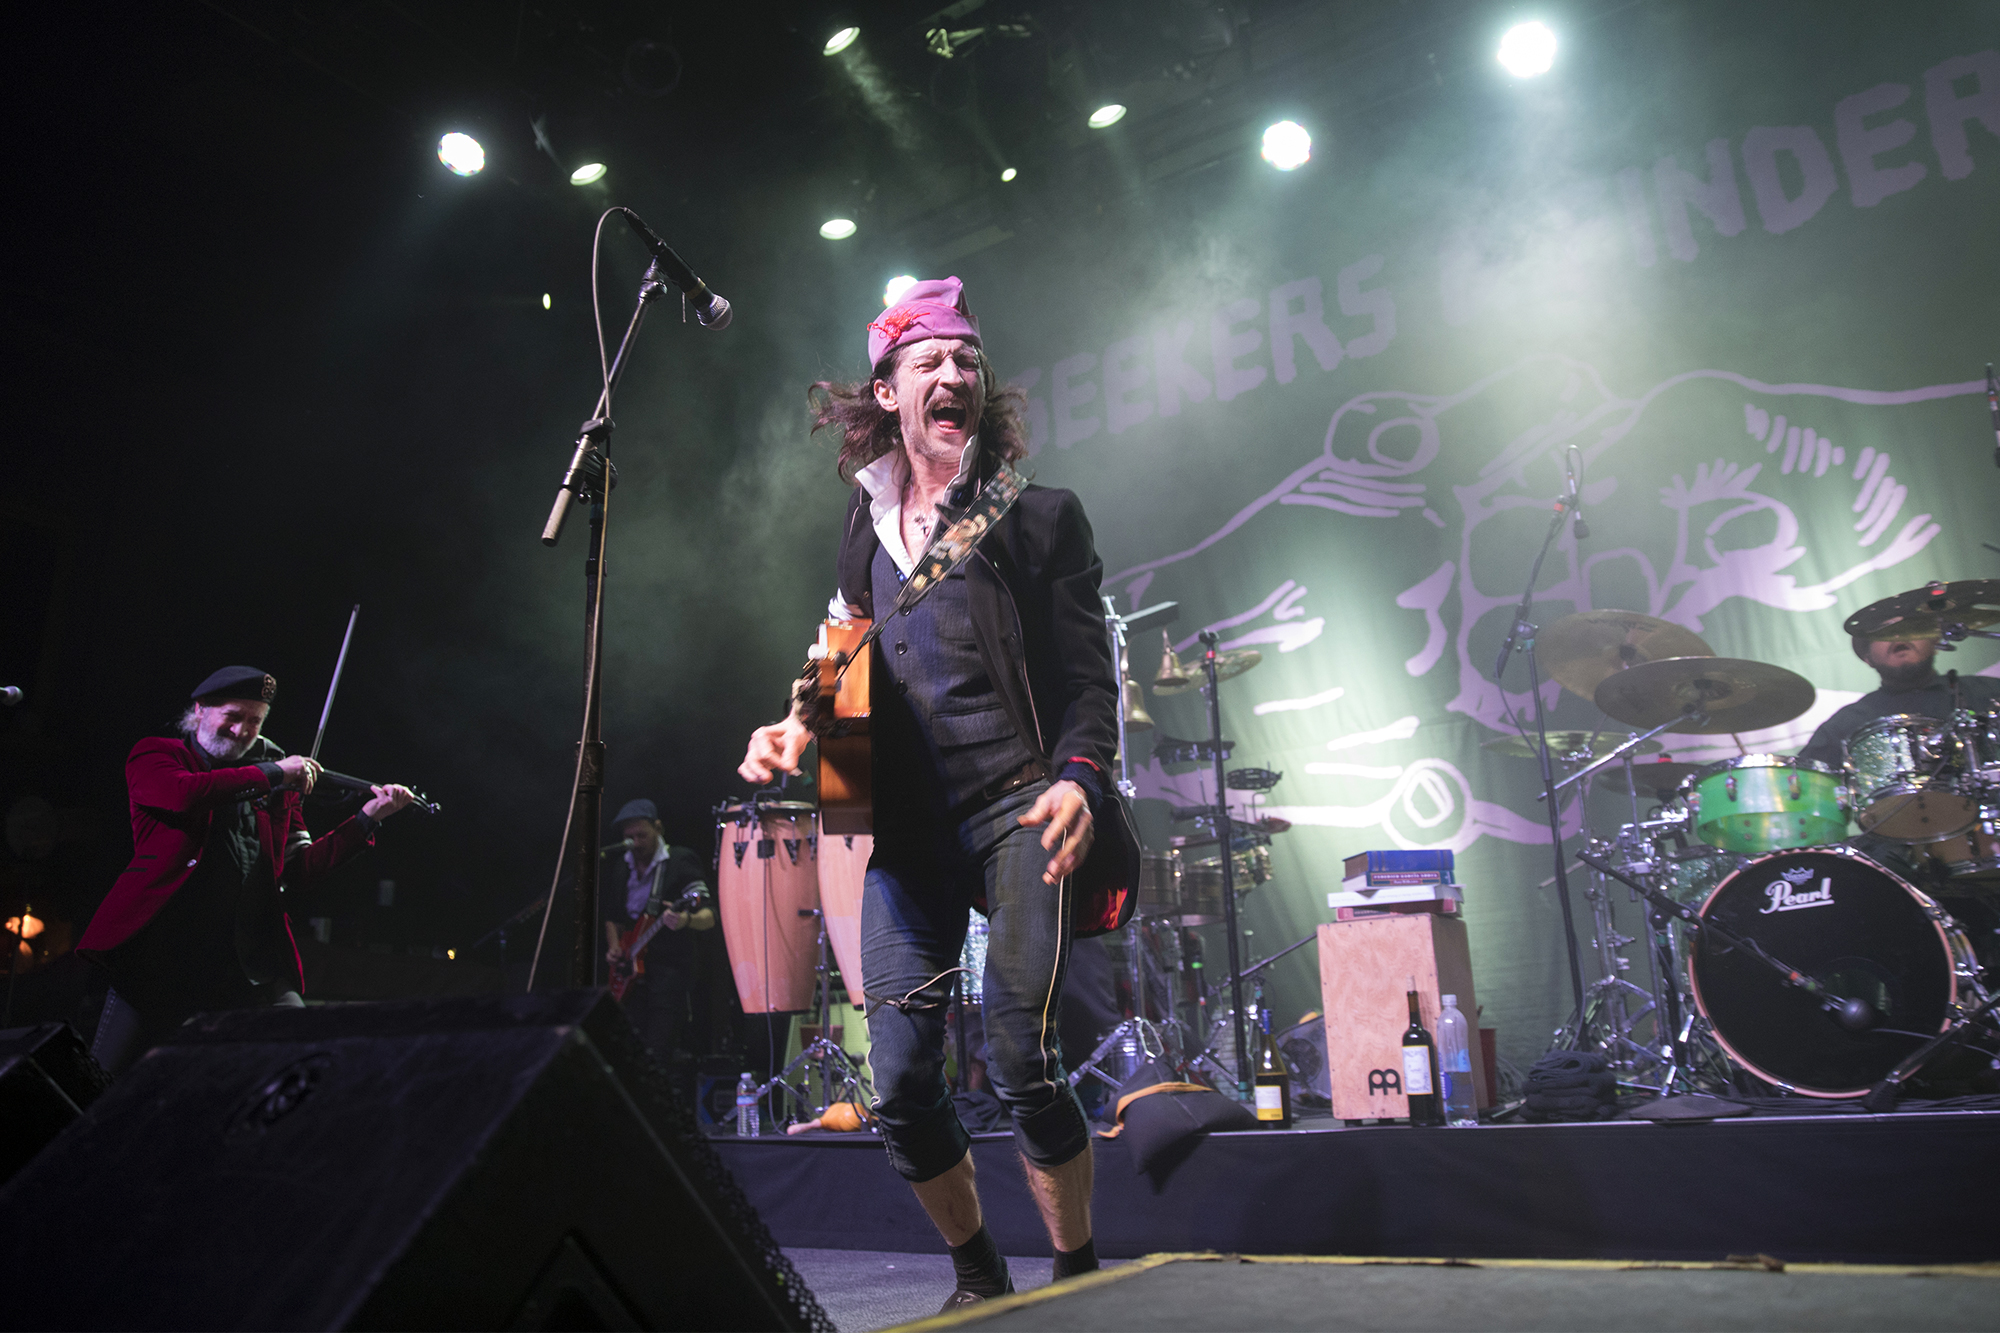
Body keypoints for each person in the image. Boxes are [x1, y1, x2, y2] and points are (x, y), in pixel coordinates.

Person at [739, 277, 1122, 1310]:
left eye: (966, 361)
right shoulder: (863, 526)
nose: (953, 375)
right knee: (902, 1084)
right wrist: (797, 725)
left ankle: (1078, 1278)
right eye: (930, 362)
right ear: (887, 391)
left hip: (1020, 804)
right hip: (909, 831)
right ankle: (979, 1278)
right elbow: (842, 648)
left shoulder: (1038, 517)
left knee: (1019, 1056)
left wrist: (1081, 777)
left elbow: (1089, 682)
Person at [76, 666, 416, 1074]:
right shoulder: (158, 755)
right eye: (233, 716)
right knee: (105, 1080)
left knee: (304, 1057)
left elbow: (299, 870)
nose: (242, 731)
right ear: (200, 710)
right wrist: (273, 773)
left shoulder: (274, 784)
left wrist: (366, 819)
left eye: (255, 721)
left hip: (248, 963)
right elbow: (183, 794)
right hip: (165, 960)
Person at [603, 797, 714, 1060]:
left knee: (658, 1051)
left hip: (668, 973)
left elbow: (709, 916)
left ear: (658, 828)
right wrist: (615, 946)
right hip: (630, 977)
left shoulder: (680, 861)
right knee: (628, 1050)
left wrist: (686, 920)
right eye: (629, 838)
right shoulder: (622, 867)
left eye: (641, 835)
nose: (636, 843)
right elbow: (613, 918)